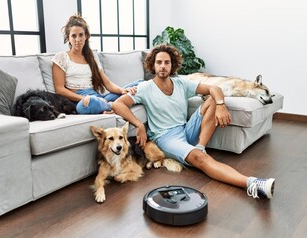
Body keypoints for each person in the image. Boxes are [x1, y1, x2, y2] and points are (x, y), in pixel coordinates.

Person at [111, 44, 275, 199]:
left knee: (211, 99)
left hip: (185, 129)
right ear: (152, 65)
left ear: (172, 65)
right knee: (201, 160)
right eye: (159, 62)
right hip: (166, 138)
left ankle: (200, 147)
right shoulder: (145, 88)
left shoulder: (181, 83)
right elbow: (118, 104)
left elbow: (214, 89)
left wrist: (220, 105)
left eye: (166, 62)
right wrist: (139, 124)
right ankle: (252, 184)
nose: (162, 66)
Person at [52, 14, 141, 114]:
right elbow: (59, 90)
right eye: (73, 36)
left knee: (140, 84)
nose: (78, 40)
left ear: (86, 36)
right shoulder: (61, 57)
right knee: (90, 102)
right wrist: (85, 98)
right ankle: (114, 105)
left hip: (99, 97)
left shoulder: (92, 57)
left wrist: (122, 90)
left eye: (81, 35)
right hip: (81, 101)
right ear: (68, 38)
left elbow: (107, 83)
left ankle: (108, 105)